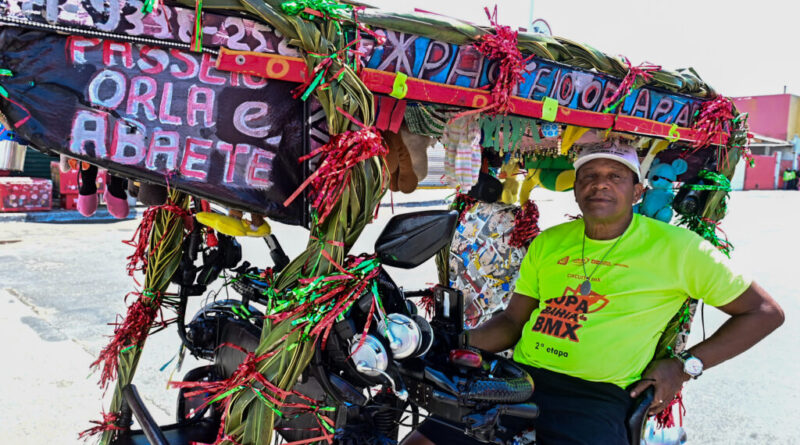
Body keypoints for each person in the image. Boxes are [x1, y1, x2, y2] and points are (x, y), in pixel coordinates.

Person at [403, 141, 784, 445]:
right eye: (588, 175)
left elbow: (764, 312)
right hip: (519, 379)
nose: (599, 183)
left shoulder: (680, 249)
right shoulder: (550, 243)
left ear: (637, 191)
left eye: (615, 175)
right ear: (575, 190)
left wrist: (684, 366)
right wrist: (447, 341)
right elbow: (512, 322)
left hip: (596, 397)